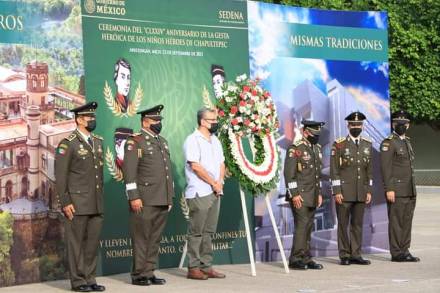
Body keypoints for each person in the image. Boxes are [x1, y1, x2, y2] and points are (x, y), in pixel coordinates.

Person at [55, 101, 105, 292]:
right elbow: (61, 176)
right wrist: (65, 201)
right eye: (89, 117)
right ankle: (78, 282)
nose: (93, 120)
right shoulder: (68, 144)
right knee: (76, 244)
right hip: (77, 203)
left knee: (92, 244)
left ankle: (90, 278)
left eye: (93, 117)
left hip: (96, 202)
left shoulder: (98, 141)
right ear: (78, 120)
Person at [122, 104, 174, 286]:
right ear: (145, 122)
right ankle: (138, 275)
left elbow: (167, 172)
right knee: (141, 238)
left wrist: (169, 197)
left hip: (161, 198)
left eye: (160, 120)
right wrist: (133, 196)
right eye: (155, 120)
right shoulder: (135, 142)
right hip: (144, 199)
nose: (159, 123)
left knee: (154, 238)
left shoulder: (162, 141)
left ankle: (149, 271)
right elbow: (129, 172)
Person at [183, 108, 226, 280]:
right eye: (212, 120)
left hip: (216, 191)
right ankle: (193, 267)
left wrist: (220, 182)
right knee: (197, 232)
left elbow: (222, 163)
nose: (215, 122)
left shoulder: (215, 140)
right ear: (202, 121)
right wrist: (213, 183)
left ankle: (206, 266)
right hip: (200, 191)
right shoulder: (192, 140)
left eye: (216, 119)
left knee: (209, 231)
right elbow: (196, 166)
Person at [330, 111, 372, 266]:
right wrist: (337, 191)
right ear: (348, 126)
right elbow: (334, 170)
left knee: (357, 224)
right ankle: (345, 255)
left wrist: (368, 190)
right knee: (343, 224)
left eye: (359, 124)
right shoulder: (339, 144)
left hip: (361, 191)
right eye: (353, 124)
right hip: (344, 192)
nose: (356, 127)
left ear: (362, 126)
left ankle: (356, 254)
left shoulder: (367, 144)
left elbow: (369, 170)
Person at [284, 120, 325, 270]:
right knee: (301, 226)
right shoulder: (296, 149)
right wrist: (294, 194)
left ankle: (306, 257)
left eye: (317, 133)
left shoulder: (316, 148)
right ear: (305, 131)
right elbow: (289, 174)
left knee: (308, 226)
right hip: (300, 195)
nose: (316, 136)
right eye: (313, 133)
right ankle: (296, 258)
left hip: (313, 194)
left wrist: (319, 193)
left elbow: (317, 175)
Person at [380, 110, 419, 262]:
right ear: (393, 124)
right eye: (398, 124)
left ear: (408, 125)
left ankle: (405, 250)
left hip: (409, 190)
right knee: (396, 222)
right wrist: (389, 188)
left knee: (407, 222)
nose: (401, 126)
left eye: (404, 124)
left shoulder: (407, 142)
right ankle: (396, 252)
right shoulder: (389, 142)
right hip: (397, 190)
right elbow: (386, 168)